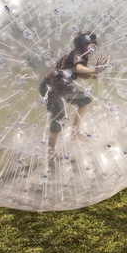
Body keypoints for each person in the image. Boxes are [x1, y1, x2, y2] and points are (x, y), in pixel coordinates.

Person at [39, 31, 107, 160]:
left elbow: (80, 74)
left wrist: (97, 76)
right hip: (51, 86)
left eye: (93, 44)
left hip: (62, 86)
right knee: (59, 118)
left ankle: (75, 133)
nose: (92, 47)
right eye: (89, 44)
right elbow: (80, 69)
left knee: (84, 100)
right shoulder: (77, 54)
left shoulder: (83, 56)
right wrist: (95, 70)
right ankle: (50, 154)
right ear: (82, 45)